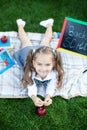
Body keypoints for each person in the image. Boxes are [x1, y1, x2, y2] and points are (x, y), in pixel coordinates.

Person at [14, 18, 64, 107]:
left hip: (43, 53)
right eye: (39, 64)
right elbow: (31, 85)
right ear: (33, 63)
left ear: (53, 63)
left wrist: (48, 96)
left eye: (48, 65)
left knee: (47, 39)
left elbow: (52, 85)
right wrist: (34, 97)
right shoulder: (30, 69)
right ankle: (20, 24)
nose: (43, 69)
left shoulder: (54, 71)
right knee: (25, 41)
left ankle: (49, 24)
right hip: (29, 53)